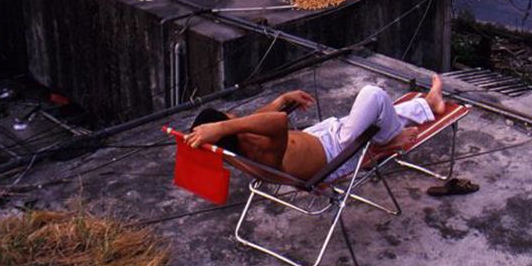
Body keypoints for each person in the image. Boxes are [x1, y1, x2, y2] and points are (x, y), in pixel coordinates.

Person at [185, 74, 448, 182]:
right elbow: (277, 122)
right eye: (229, 118)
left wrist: (281, 100)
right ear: (227, 129)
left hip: (326, 136)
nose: (234, 117)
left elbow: (257, 119)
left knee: (368, 116)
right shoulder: (260, 155)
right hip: (340, 152)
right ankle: (388, 140)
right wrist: (221, 125)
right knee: (373, 96)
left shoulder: (243, 143)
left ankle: (428, 103)